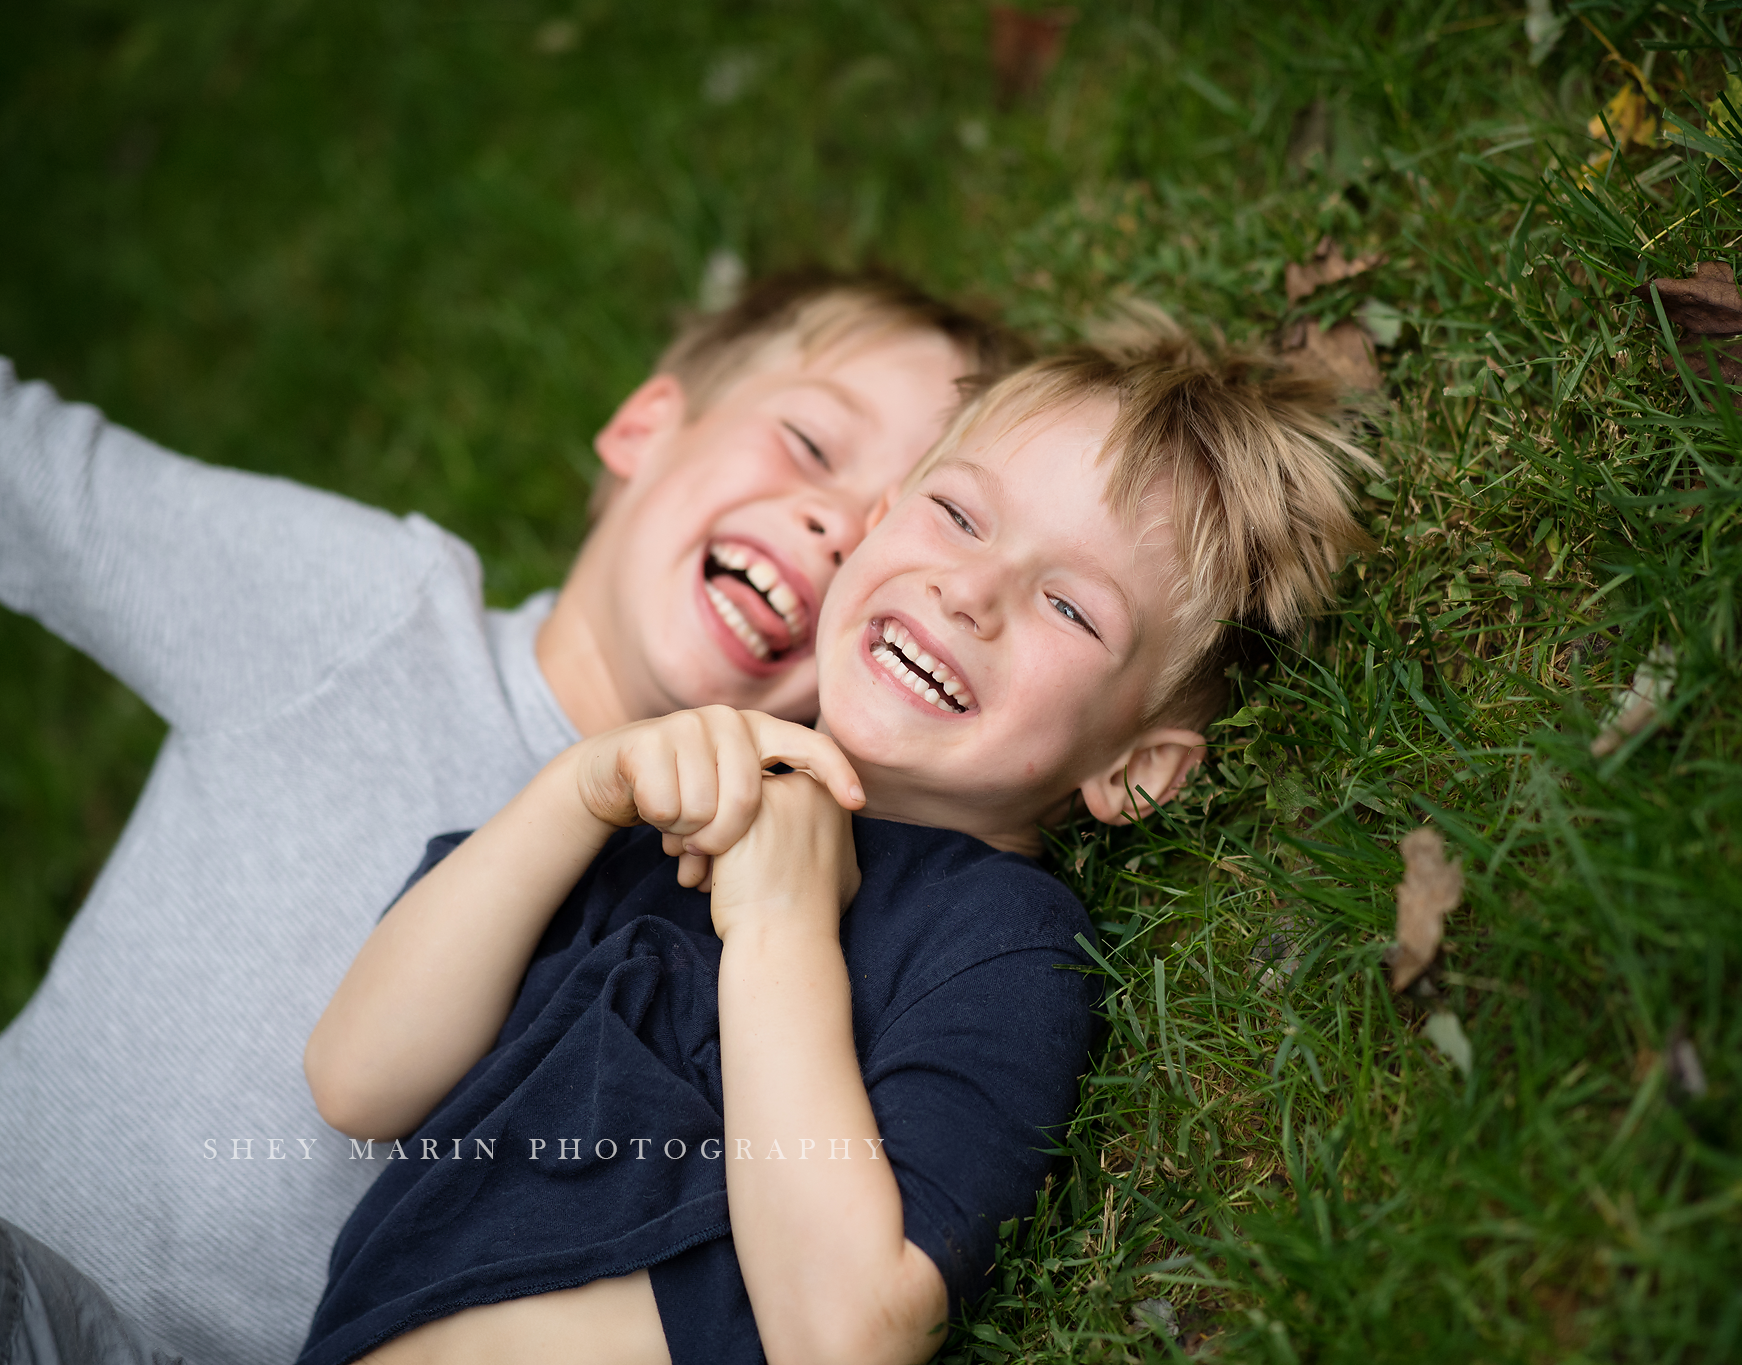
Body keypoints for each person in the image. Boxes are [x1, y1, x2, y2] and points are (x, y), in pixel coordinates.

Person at [294, 327, 1371, 1364]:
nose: (969, 590)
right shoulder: (661, 794)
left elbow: (851, 1332)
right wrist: (575, 793)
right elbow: (357, 1079)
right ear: (878, 525)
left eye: (1068, 606)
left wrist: (777, 928)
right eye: (957, 515)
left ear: (1133, 768)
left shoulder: (999, 941)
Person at [0, 271, 1014, 1365]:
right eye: (811, 444)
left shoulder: (775, 900)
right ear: (644, 426)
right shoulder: (371, 617)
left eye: (885, 534)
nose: (830, 530)